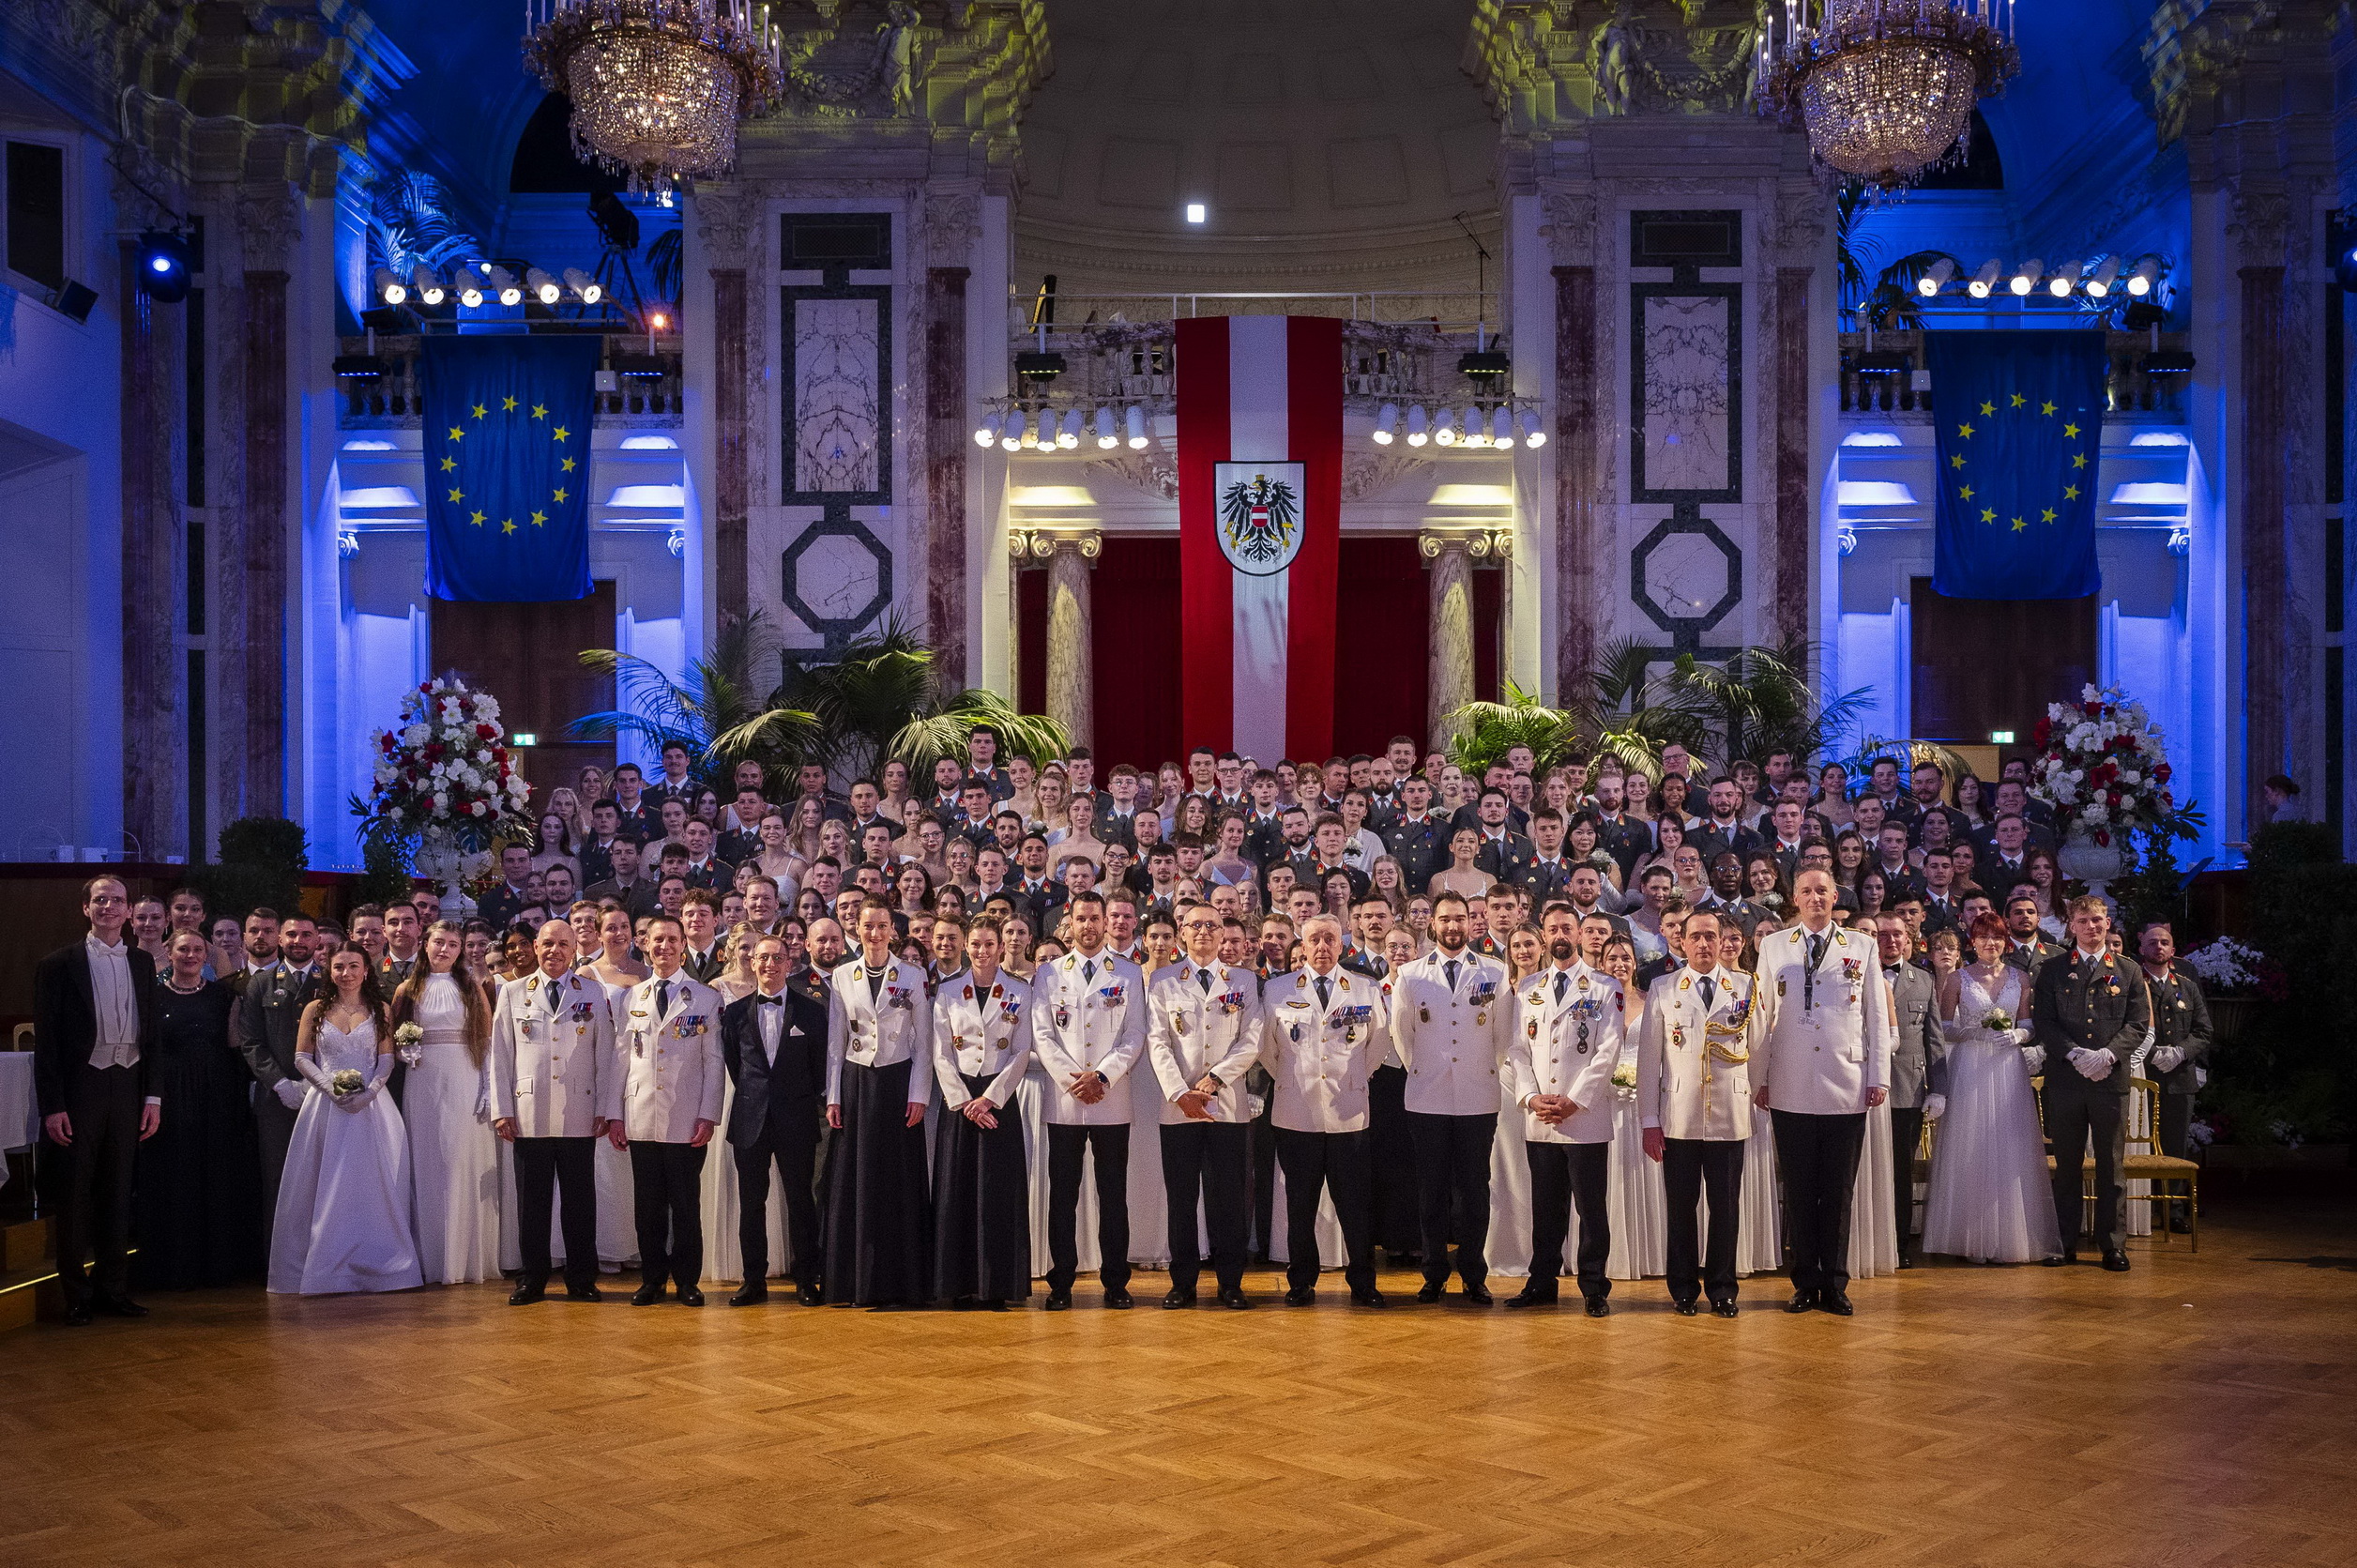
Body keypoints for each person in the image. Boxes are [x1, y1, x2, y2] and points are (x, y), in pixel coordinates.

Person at [1750, 868, 1893, 1317]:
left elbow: (1875, 1015)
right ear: (1795, 898)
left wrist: (1878, 1076)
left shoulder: (1862, 946)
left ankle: (1834, 1283)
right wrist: (1759, 1078)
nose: (1815, 898)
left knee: (1838, 1191)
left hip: (1845, 1082)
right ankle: (1803, 1282)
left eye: (1822, 891)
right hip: (1790, 1082)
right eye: (1806, 891)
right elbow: (1761, 1016)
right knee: (1798, 1189)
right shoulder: (1774, 946)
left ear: (1835, 897)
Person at [35, 877, 164, 1324]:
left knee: (118, 1191)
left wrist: (153, 1096)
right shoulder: (58, 964)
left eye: (117, 900)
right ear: (86, 909)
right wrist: (53, 1105)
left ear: (129, 911)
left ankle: (113, 1290)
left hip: (128, 1085)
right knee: (75, 1194)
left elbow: (152, 1036)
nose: (109, 906)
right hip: (80, 1088)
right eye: (100, 899)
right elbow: (47, 1045)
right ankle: (76, 1296)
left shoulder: (143, 963)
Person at [266, 941, 423, 1295]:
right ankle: (324, 1266)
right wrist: (330, 1089)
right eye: (339, 967)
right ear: (330, 971)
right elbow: (302, 1058)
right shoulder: (315, 1008)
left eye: (354, 966)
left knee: (372, 1185)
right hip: (325, 1107)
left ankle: (379, 1263)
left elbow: (386, 1059)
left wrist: (369, 1093)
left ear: (366, 970)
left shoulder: (381, 1009)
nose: (346, 973)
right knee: (325, 1183)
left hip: (372, 1108)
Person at [1386, 891, 1510, 1305]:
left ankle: (1474, 1274)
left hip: (1478, 1096)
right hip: (1427, 1096)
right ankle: (1434, 1273)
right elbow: (1403, 1036)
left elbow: (1502, 1037)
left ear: (1471, 923)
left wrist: (1477, 1070)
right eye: (1445, 919)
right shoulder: (1411, 974)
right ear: (1433, 924)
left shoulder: (1494, 971)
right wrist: (1427, 1070)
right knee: (1431, 1191)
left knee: (1475, 1190)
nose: (1453, 926)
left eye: (1460, 918)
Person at [1919, 913, 2061, 1264]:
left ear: (2005, 941)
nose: (1990, 943)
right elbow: (1943, 1027)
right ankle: (1967, 1236)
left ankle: (2010, 1237)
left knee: (2009, 1144)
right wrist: (1975, 1031)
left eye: (1996, 937)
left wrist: (2018, 1034)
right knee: (1969, 1143)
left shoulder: (2020, 977)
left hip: (2008, 1066)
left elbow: (2028, 1023)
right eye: (1983, 937)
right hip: (1970, 1066)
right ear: (1973, 941)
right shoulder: (1958, 978)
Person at [1636, 908, 1757, 1317]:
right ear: (1682, 942)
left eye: (1711, 936)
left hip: (1729, 1115)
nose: (1704, 944)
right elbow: (1649, 1061)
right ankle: (1684, 1289)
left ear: (1722, 940)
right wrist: (1649, 1121)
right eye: (1696, 937)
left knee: (1726, 1209)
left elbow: (1758, 1047)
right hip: (1679, 1117)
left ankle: (1723, 1289)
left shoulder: (1745, 986)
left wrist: (1752, 1095)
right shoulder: (1663, 987)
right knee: (1681, 1210)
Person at [489, 920, 617, 1304]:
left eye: (563, 944)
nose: (554, 951)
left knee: (580, 1203)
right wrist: (502, 1109)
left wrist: (604, 1107)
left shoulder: (591, 991)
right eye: (547, 943)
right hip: (528, 1112)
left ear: (574, 949)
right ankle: (532, 1279)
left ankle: (581, 1278)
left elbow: (605, 1054)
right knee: (532, 1204)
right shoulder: (513, 992)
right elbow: (500, 1055)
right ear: (535, 947)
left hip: (579, 1110)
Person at [1029, 891, 1147, 1310]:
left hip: (1111, 1099)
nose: (1089, 926)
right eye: (1082, 919)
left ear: (1105, 922)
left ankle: (1116, 1283)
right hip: (1064, 1102)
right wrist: (1073, 1080)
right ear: (1070, 922)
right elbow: (1043, 1035)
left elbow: (1135, 1034)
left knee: (1113, 1197)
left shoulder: (1129, 973)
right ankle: (1061, 1283)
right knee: (1063, 1197)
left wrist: (1102, 1076)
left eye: (1095, 918)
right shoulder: (1048, 974)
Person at [1144, 901, 1264, 1310]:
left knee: (1228, 1198)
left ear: (1223, 933)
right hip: (1178, 1108)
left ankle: (1231, 1282)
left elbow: (1252, 1039)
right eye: (1195, 925)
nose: (1204, 932)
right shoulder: (1163, 980)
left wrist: (1215, 1079)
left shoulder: (1244, 980)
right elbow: (1157, 1041)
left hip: (1226, 1105)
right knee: (1181, 1199)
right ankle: (1183, 1283)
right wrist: (1181, 1092)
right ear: (1182, 933)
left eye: (1212, 925)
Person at [1262, 914, 1387, 1307]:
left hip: (1348, 1112)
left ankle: (1363, 1282)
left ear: (1341, 944)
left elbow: (1378, 1044)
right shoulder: (1277, 990)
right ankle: (1301, 1282)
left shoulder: (1364, 988)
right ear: (1302, 944)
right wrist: (1294, 1078)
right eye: (1314, 939)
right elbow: (1267, 1049)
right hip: (1296, 1112)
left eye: (1329, 939)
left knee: (1355, 1206)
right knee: (1300, 1205)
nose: (1322, 947)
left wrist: (1352, 1079)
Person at [1506, 902, 1623, 1314]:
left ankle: (1594, 1287)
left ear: (1580, 933)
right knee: (1545, 1208)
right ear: (1543, 936)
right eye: (1553, 929)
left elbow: (1609, 1051)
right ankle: (1541, 1283)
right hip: (1541, 1118)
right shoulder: (1528, 987)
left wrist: (1575, 1100)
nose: (1560, 935)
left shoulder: (1605, 987)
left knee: (1590, 1209)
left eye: (1567, 928)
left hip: (1584, 1117)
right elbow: (1517, 1049)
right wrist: (1530, 1097)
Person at [134, 929, 263, 1289]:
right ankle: (173, 1265)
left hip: (216, 1097)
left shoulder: (223, 996)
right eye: (183, 949)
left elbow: (235, 1046)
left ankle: (217, 1264)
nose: (190, 955)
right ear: (169, 953)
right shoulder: (153, 996)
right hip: (170, 1098)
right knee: (174, 1175)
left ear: (206, 956)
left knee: (215, 1173)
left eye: (197, 950)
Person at [822, 898, 935, 1307]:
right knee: (858, 1179)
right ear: (856, 928)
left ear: (892, 930)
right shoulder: (842, 975)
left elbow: (925, 1043)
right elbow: (835, 1042)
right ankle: (857, 1282)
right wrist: (834, 1095)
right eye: (867, 925)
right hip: (856, 1082)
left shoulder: (913, 974)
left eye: (882, 926)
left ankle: (900, 1282)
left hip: (898, 1082)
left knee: (897, 1180)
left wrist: (919, 1094)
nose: (874, 933)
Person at [2032, 895, 2152, 1271]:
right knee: (2067, 1165)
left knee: (2111, 1166)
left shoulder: (2129, 970)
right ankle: (2063, 1242)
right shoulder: (2053, 969)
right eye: (2083, 921)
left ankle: (2113, 1245)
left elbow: (2138, 1024)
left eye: (2097, 920)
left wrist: (2108, 1055)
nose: (2091, 927)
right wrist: (2074, 1054)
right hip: (2066, 1080)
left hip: (2109, 1080)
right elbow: (2045, 1022)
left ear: (2108, 922)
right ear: (2072, 925)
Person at [612, 914, 724, 1306]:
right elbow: (620, 1059)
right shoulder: (631, 997)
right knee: (648, 1208)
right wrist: (614, 1114)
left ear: (682, 947)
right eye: (657, 940)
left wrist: (708, 1114)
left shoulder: (705, 998)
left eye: (672, 940)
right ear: (645, 944)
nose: (664, 947)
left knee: (686, 1205)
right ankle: (653, 1280)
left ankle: (687, 1281)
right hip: (641, 1115)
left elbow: (714, 1062)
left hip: (685, 1118)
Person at [929, 916, 1036, 1308]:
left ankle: (998, 1285)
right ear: (965, 946)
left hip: (998, 1102)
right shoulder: (948, 991)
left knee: (998, 1194)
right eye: (975, 944)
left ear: (1001, 947)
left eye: (989, 944)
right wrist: (964, 1102)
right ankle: (956, 1284)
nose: (982, 951)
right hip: (959, 1104)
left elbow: (1022, 1051)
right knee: (956, 1192)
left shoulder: (1020, 991)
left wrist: (990, 1099)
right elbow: (940, 1052)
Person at [719, 934, 828, 1306]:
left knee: (801, 1202)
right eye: (763, 958)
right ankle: (754, 1281)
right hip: (750, 1119)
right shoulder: (734, 1013)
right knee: (752, 1204)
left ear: (789, 963)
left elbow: (818, 1067)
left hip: (796, 1119)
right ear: (752, 963)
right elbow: (736, 1065)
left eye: (777, 958)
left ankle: (806, 1280)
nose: (769, 964)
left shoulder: (811, 1011)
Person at [390, 920, 500, 1285]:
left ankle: (463, 1258)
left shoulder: (471, 986)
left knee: (459, 1159)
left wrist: (488, 1088)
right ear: (426, 944)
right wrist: (405, 1050)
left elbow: (486, 1039)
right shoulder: (408, 988)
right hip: (423, 1081)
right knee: (428, 1161)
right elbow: (393, 1036)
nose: (445, 950)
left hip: (465, 1077)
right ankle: (431, 1257)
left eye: (453, 944)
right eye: (439, 942)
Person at [235, 912, 321, 1250]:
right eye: (292, 935)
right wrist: (281, 1084)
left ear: (317, 940)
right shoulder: (261, 983)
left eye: (306, 935)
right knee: (277, 1178)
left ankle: (318, 1257)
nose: (299, 941)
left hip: (322, 1096)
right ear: (281, 940)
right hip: (275, 1100)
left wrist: (316, 1082)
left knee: (320, 1178)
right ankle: (277, 1259)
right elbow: (251, 1041)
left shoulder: (331, 980)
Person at [1874, 912, 1946, 1270]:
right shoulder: (1857, 975)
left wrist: (1939, 1089)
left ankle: (1899, 1244)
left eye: (1897, 935)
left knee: (1900, 1172)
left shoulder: (1924, 980)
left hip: (1907, 1090)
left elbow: (1934, 1039)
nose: (1890, 941)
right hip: (1862, 1088)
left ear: (1908, 939)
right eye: (1882, 934)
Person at [2137, 921, 2213, 1232]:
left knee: (2175, 1145)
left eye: (2164, 942)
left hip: (2180, 1077)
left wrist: (2181, 1052)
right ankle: (2142, 1208)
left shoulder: (2187, 986)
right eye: (2152, 942)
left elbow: (2204, 1031)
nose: (2158, 947)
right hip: (2144, 1074)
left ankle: (2174, 1210)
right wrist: (2152, 1053)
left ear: (2173, 950)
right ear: (2141, 948)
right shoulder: (2132, 983)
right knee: (2141, 1144)